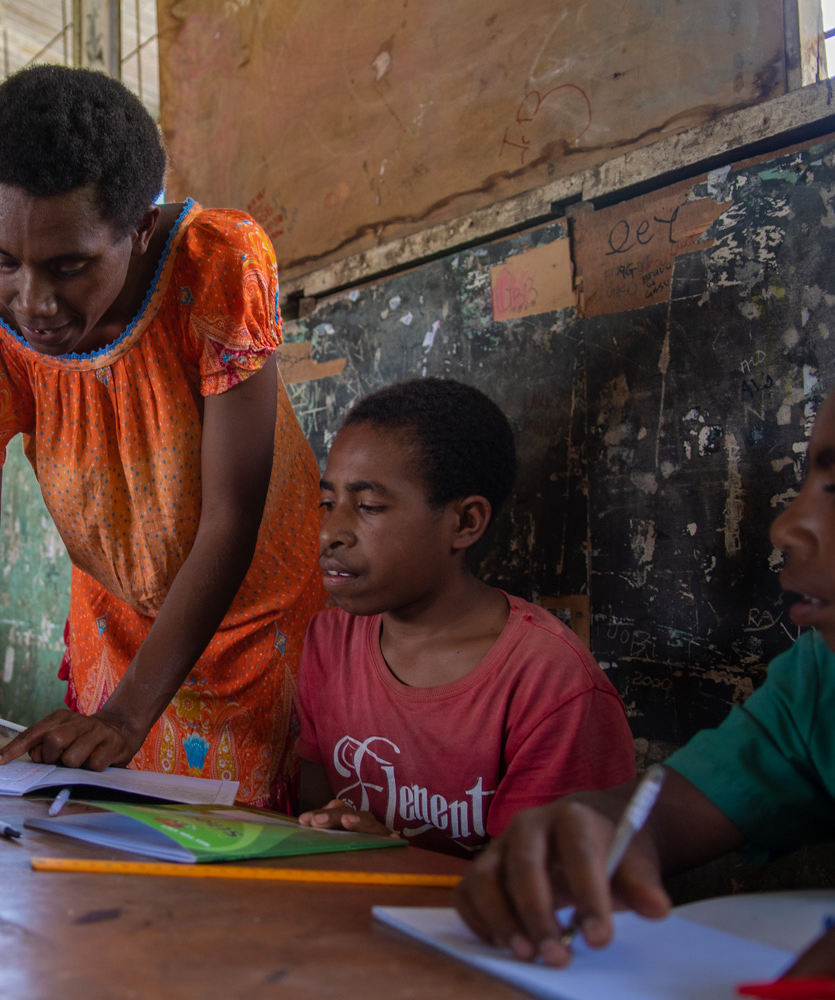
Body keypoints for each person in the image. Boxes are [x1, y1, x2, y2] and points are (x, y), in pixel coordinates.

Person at [0, 65, 327, 809]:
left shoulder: (218, 268)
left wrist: (125, 715)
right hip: (116, 640)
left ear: (140, 226)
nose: (35, 302)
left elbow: (231, 518)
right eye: (2, 261)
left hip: (263, 628)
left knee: (249, 867)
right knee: (110, 870)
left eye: (70, 266)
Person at [454, 392, 835, 975]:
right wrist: (586, 827)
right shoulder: (820, 680)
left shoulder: (542, 665)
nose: (787, 528)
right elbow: (671, 808)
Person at [295, 379, 636, 857]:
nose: (329, 532)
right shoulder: (329, 643)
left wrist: (393, 862)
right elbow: (312, 817)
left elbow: (546, 896)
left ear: (465, 523)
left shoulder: (549, 684)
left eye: (368, 506)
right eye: (328, 503)